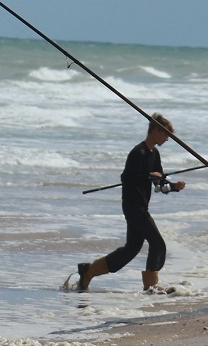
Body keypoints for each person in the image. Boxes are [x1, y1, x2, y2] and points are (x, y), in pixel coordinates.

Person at [75, 113, 185, 292]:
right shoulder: (138, 152)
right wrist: (148, 175)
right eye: (166, 134)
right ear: (156, 131)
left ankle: (89, 271)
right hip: (133, 207)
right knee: (157, 244)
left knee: (131, 250)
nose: (167, 139)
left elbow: (159, 184)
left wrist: (173, 187)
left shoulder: (154, 154)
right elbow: (126, 178)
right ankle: (151, 286)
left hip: (141, 206)